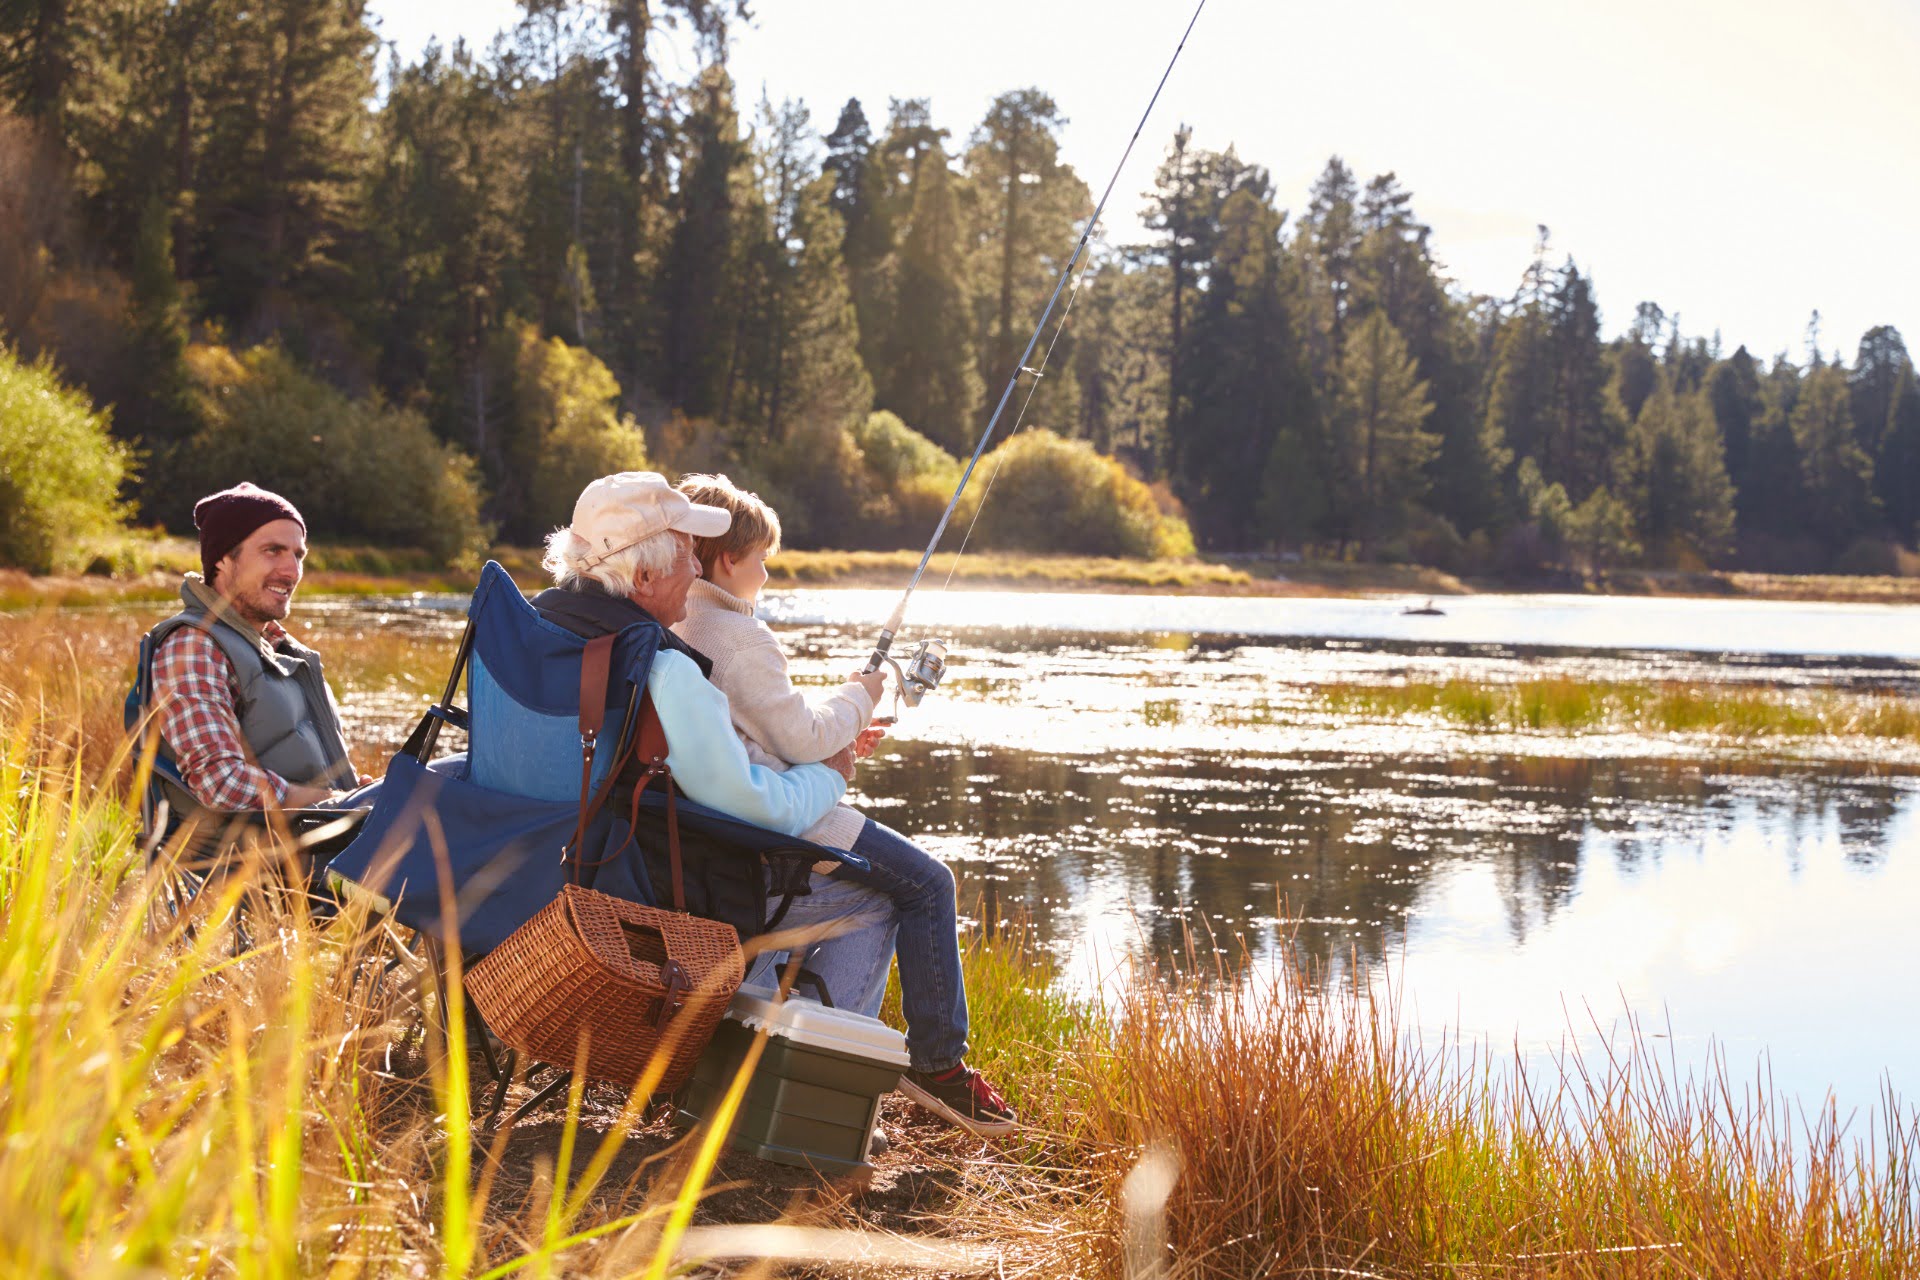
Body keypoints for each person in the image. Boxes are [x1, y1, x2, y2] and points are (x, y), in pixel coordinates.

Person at [667, 473, 1016, 1138]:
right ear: (727, 559)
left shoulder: (681, 621)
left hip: (736, 822)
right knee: (928, 883)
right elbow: (799, 732)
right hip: (780, 826)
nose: (765, 575)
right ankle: (938, 1064)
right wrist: (862, 693)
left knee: (883, 899)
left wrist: (838, 739)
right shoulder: (738, 637)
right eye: (761, 560)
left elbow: (763, 729)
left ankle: (818, 1056)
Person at [145, 482, 368, 811]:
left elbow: (300, 765)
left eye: (297, 555)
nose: (292, 571)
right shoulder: (193, 647)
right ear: (222, 559)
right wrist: (337, 803)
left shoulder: (283, 651)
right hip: (252, 857)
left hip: (325, 841)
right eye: (273, 551)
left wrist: (358, 791)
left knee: (449, 782)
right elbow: (220, 782)